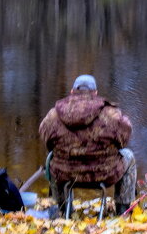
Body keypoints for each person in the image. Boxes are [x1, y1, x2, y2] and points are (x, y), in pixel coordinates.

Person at [39, 74, 137, 216]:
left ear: (72, 92)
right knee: (129, 155)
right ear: (95, 93)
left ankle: (62, 208)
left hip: (66, 174)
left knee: (51, 158)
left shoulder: (54, 115)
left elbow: (46, 139)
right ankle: (123, 209)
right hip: (104, 174)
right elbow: (125, 137)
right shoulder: (111, 114)